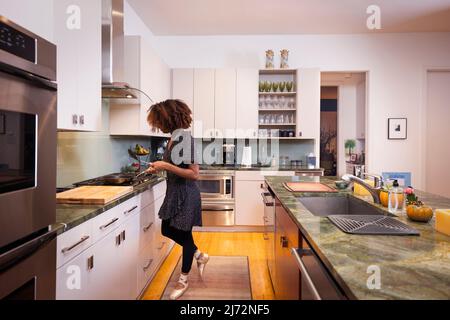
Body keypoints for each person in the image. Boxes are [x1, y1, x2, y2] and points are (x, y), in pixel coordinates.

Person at [146, 99, 208, 300]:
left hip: (185, 195)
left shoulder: (183, 139)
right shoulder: (174, 138)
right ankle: (200, 256)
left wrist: (165, 166)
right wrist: (158, 166)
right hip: (174, 193)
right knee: (167, 229)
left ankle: (183, 280)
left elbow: (194, 173)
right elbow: (174, 165)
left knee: (185, 236)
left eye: (158, 121)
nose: (157, 126)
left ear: (168, 119)